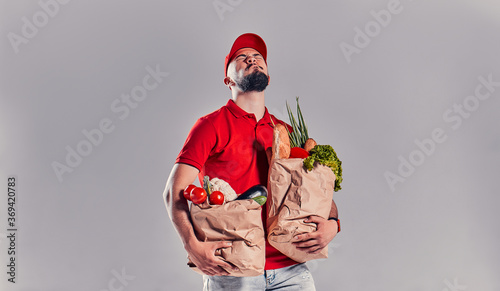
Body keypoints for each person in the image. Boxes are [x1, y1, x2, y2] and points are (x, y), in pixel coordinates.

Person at [163, 33, 340, 291]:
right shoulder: (210, 126)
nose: (252, 59)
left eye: (258, 57)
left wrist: (333, 225)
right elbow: (173, 191)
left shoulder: (286, 132)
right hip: (233, 269)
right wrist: (192, 245)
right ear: (227, 79)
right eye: (242, 58)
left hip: (291, 268)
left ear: (269, 76)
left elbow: (318, 194)